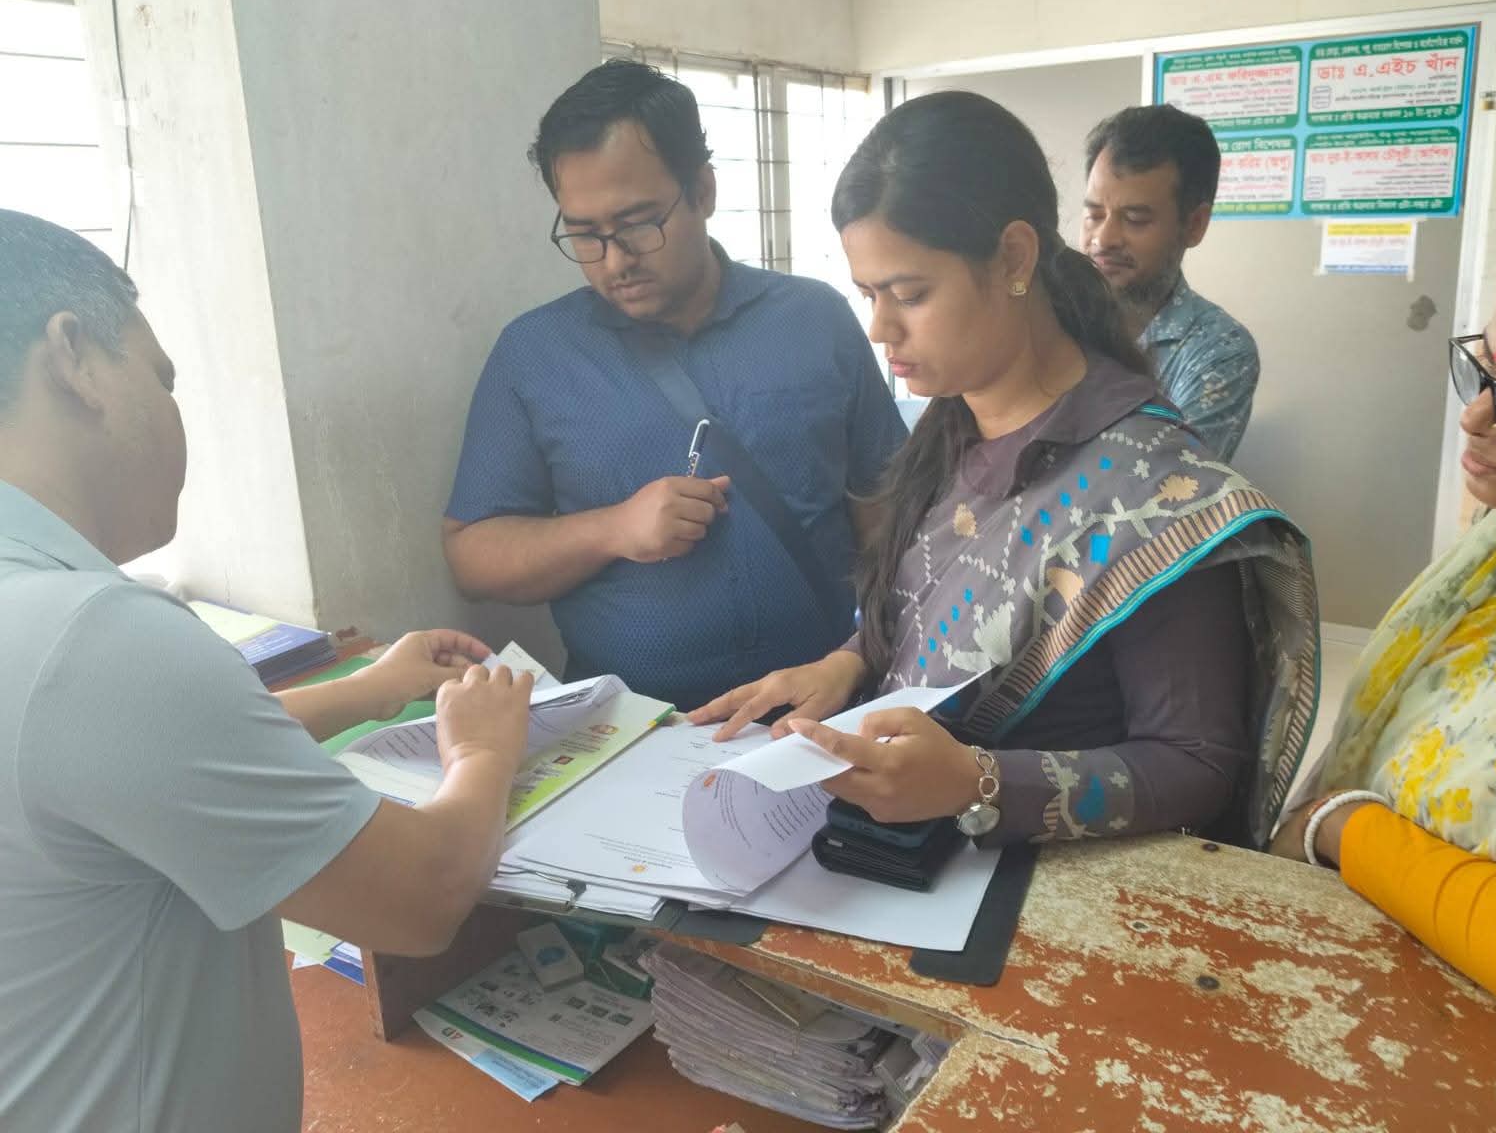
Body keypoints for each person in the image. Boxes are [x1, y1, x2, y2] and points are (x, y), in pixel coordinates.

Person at [0, 210, 536, 1133]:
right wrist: (483, 751)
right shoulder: (92, 637)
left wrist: (368, 691)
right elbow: (422, 898)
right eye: (161, 378)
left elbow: (116, 775)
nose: (174, 413)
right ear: (74, 357)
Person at [689, 93, 1318, 850]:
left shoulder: (1151, 490)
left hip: (1034, 886)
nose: (881, 328)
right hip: (896, 853)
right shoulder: (948, 430)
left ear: (1015, 258)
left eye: (910, 294)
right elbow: (918, 621)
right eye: (869, 295)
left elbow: (1196, 764)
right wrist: (847, 663)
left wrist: (980, 781)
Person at [443, 60, 906, 710]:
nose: (614, 260)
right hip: (631, 727)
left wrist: (873, 662)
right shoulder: (535, 354)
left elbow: (891, 516)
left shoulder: (814, 319)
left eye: (638, 222)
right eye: (584, 233)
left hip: (817, 710)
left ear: (703, 191)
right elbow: (472, 555)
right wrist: (613, 530)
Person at [1272, 211, 1496, 1092]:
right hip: (1352, 988)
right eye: (1488, 367)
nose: (1479, 415)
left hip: (1483, 1073)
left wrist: (1343, 827)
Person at [1080, 104, 1259, 461]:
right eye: (1094, 214)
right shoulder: (1050, 318)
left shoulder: (1218, 349)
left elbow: (1165, 480)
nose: (1104, 238)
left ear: (1194, 225)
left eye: (1135, 219)